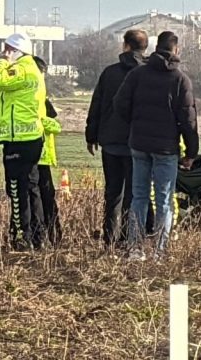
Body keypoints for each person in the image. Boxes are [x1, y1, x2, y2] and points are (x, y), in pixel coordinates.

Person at [114, 31, 198, 261]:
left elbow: (120, 103)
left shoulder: (137, 74)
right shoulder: (180, 79)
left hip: (139, 144)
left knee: (139, 196)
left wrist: (134, 124)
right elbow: (189, 121)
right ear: (176, 50)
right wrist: (191, 152)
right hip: (166, 148)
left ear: (155, 47)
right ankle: (160, 252)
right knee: (164, 199)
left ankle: (135, 248)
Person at [85, 30, 149, 247]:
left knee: (113, 193)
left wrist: (91, 135)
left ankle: (109, 238)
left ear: (125, 46)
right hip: (137, 143)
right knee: (134, 194)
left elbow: (97, 106)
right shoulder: (147, 73)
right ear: (144, 48)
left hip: (111, 142)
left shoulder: (109, 73)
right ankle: (128, 238)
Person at [0, 33, 46, 251]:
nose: (4, 54)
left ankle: (21, 236)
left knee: (16, 188)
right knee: (32, 186)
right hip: (31, 137)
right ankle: (38, 236)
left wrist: (2, 62)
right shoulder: (33, 69)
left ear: (15, 50)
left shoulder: (21, 68)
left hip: (18, 139)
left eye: (7, 49)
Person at [34, 56, 63, 248]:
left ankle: (52, 235)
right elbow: (52, 123)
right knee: (43, 197)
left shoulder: (42, 98)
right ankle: (46, 235)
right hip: (38, 154)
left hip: (43, 155)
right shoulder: (34, 97)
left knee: (46, 196)